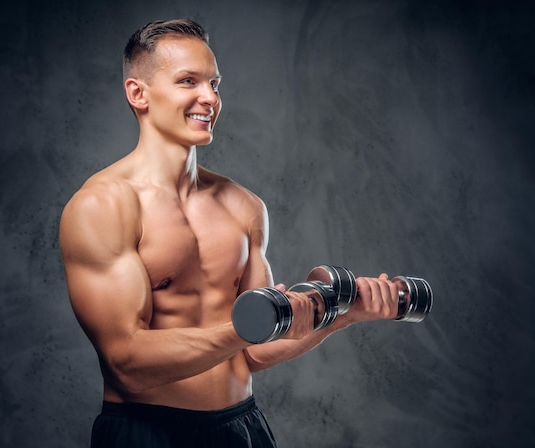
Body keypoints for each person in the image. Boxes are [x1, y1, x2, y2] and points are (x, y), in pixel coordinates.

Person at [59, 18, 399, 448]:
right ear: (138, 93)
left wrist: (341, 316)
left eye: (214, 83)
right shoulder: (102, 206)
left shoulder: (244, 207)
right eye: (189, 81)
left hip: (241, 429)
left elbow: (254, 352)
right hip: (147, 431)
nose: (210, 98)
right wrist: (244, 328)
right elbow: (126, 362)